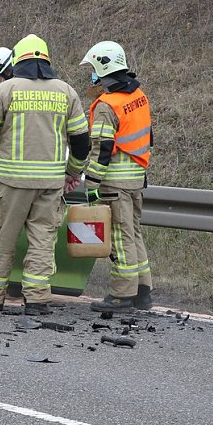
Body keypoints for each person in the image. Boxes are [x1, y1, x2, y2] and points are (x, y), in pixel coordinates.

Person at [0, 34, 90, 315]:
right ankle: (37, 300)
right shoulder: (66, 92)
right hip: (50, 184)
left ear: (17, 61)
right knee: (42, 242)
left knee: (2, 239)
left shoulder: (5, 90)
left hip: (11, 182)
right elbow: (82, 140)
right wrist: (72, 172)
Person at [80, 40, 153, 312]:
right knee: (133, 234)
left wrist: (92, 183)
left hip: (115, 183)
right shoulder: (138, 96)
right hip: (135, 179)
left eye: (93, 69)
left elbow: (102, 148)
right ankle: (142, 292)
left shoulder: (106, 105)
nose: (92, 75)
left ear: (103, 68)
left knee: (120, 239)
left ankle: (122, 295)